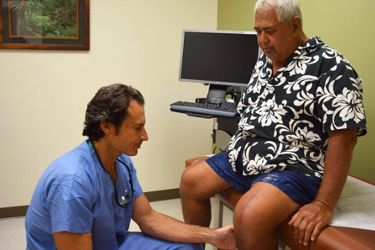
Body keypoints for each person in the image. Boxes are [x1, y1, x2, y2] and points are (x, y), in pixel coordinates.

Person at [180, 0, 367, 249]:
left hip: (297, 166)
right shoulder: (265, 61)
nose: (262, 40)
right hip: (246, 157)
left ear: (295, 25)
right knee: (190, 181)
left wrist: (324, 204)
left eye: (269, 31)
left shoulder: (331, 66)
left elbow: (345, 137)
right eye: (258, 31)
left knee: (248, 216)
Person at [25, 84, 237, 250]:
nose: (145, 136)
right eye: (137, 128)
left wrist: (212, 236)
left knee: (189, 246)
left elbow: (149, 218)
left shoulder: (121, 161)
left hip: (112, 244)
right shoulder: (72, 183)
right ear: (107, 126)